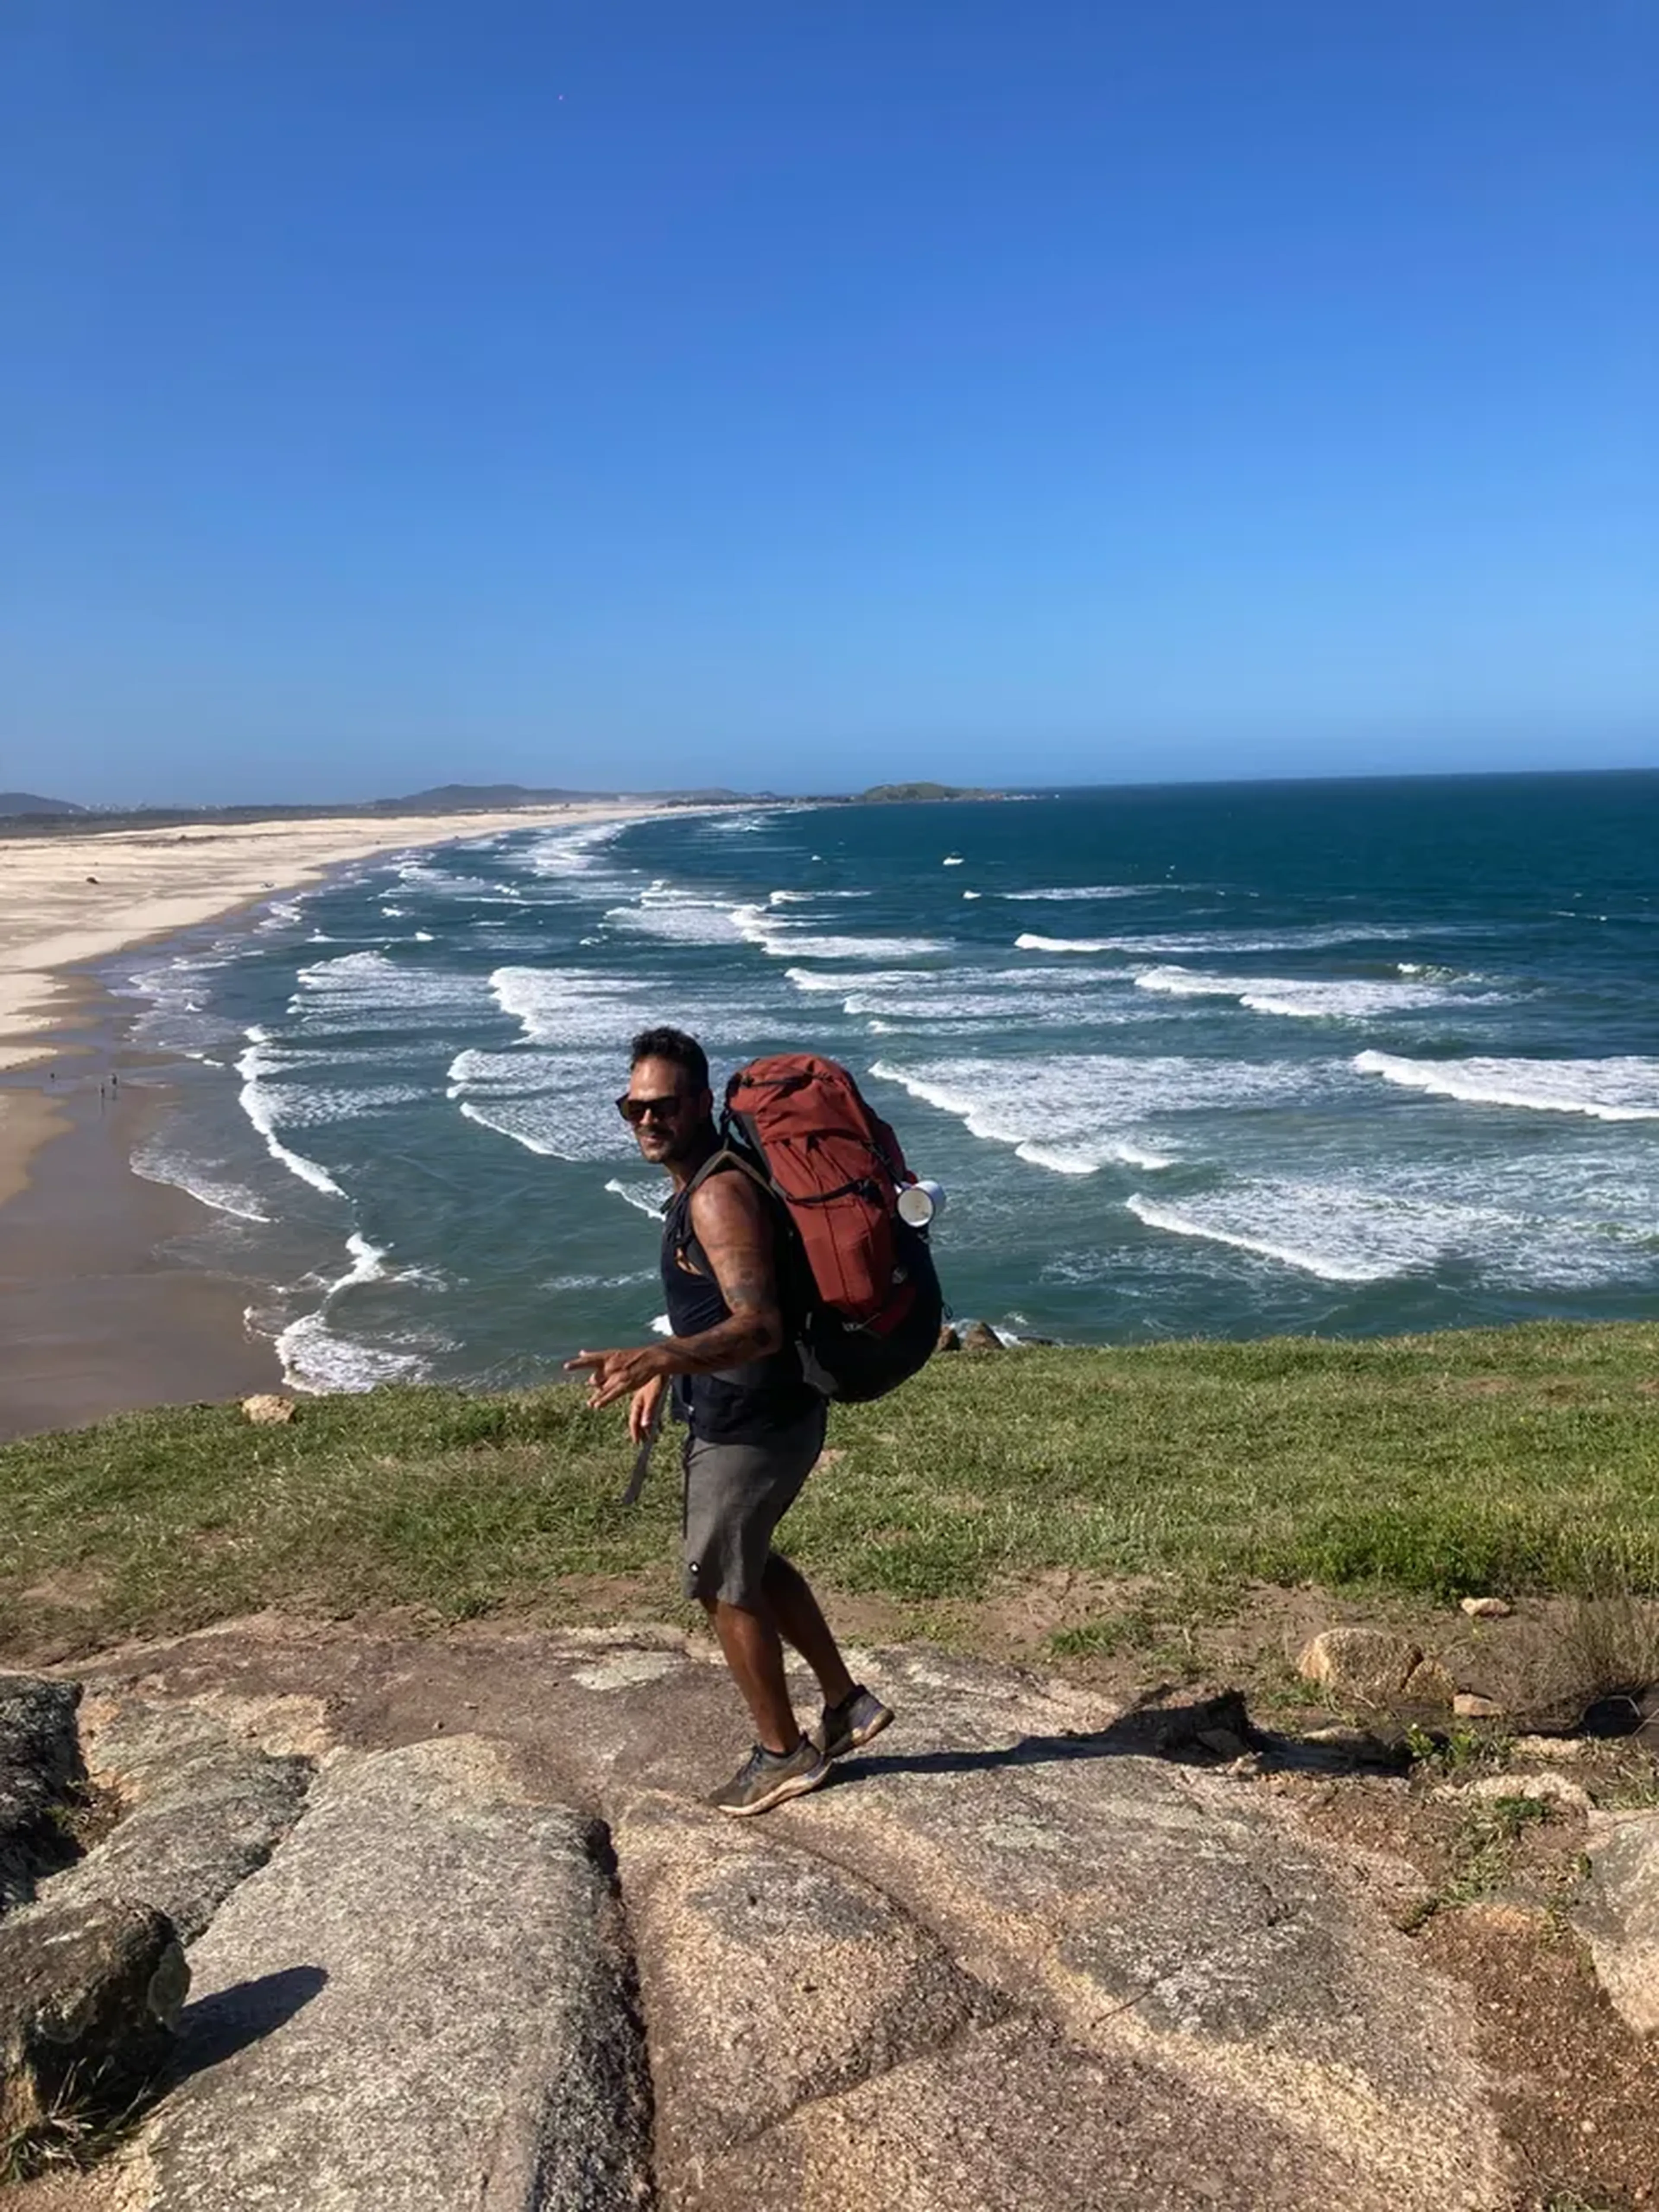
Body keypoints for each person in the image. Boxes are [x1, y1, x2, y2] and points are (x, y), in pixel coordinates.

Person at [566, 1026, 892, 1815]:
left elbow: (758, 1327)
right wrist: (666, 1367)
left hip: (754, 1421)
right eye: (632, 1107)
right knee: (751, 1557)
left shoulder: (715, 1194)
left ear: (703, 1103)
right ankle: (849, 1706)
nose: (646, 1120)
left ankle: (783, 1754)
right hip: (755, 1407)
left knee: (719, 1579)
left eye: (663, 1107)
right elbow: (719, 1308)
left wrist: (657, 1358)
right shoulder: (704, 1179)